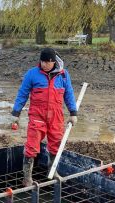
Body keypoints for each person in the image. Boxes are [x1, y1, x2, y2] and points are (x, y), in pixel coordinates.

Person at [11, 47, 78, 186]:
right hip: (37, 116)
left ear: (54, 62)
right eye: (42, 61)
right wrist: (16, 113)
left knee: (56, 145)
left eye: (47, 62)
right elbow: (22, 93)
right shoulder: (32, 74)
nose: (44, 64)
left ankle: (52, 171)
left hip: (56, 117)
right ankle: (27, 178)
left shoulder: (64, 75)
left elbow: (69, 94)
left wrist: (73, 113)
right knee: (31, 146)